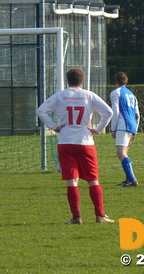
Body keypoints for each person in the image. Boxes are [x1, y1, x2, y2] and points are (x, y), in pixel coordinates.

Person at [37, 67, 114, 225]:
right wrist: (98, 129)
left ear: (67, 81)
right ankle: (100, 215)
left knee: (72, 180)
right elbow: (108, 112)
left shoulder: (60, 95)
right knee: (93, 180)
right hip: (85, 141)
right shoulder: (88, 95)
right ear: (82, 80)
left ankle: (76, 217)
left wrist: (54, 126)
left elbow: (41, 111)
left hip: (65, 142)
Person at [109, 71, 140, 187]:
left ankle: (132, 179)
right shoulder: (132, 95)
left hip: (123, 125)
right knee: (124, 152)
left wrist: (113, 128)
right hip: (131, 125)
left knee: (121, 153)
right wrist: (135, 130)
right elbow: (137, 114)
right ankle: (128, 179)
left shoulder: (115, 93)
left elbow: (116, 111)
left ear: (115, 81)